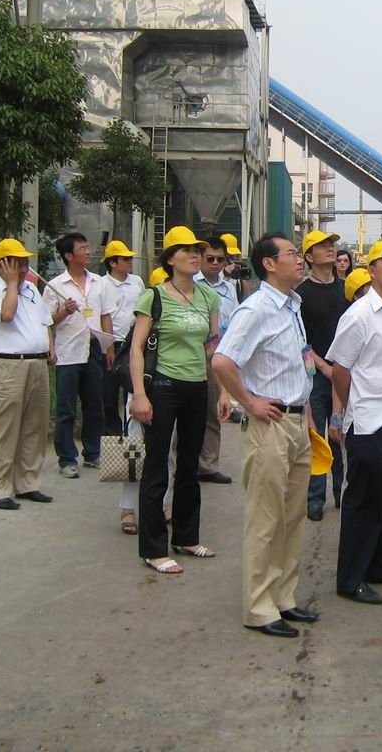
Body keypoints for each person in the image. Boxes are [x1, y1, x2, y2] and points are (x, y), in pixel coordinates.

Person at [213, 232, 320, 638]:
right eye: (292, 254)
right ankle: (260, 607)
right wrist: (249, 401)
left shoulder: (293, 306)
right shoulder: (256, 308)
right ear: (269, 264)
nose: (299, 259)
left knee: (292, 516)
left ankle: (284, 597)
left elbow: (301, 362)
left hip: (296, 421)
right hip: (269, 425)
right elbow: (223, 361)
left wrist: (307, 413)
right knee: (266, 518)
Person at [127, 226, 221, 575]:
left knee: (189, 466)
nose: (195, 255)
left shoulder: (208, 298)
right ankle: (153, 548)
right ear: (169, 259)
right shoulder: (154, 297)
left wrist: (222, 390)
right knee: (156, 469)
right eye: (186, 251)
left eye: (198, 250)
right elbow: (137, 348)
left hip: (197, 386)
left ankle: (185, 536)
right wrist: (139, 394)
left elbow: (213, 347)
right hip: (163, 387)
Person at [329, 239, 382, 604]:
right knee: (363, 501)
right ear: (372, 269)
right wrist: (352, 408)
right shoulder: (360, 313)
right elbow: (340, 370)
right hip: (368, 420)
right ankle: (352, 578)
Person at [0, 238, 55, 510]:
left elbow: (45, 321)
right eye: (17, 263)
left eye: (25, 262)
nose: (23, 268)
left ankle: (28, 483)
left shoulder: (32, 289)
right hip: (9, 366)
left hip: (37, 364)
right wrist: (11, 284)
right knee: (5, 428)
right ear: (2, 264)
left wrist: (50, 347)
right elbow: (7, 314)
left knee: (35, 426)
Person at [44, 232, 114, 478]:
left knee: (95, 404)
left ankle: (93, 452)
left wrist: (109, 347)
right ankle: (66, 458)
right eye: (82, 248)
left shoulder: (98, 282)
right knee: (66, 408)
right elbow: (47, 321)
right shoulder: (55, 286)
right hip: (68, 352)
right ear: (68, 256)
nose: (87, 251)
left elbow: (105, 315)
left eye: (87, 246)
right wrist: (64, 311)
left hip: (93, 349)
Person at [297, 229, 348, 520]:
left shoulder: (345, 290)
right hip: (316, 376)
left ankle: (342, 491)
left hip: (344, 374)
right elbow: (301, 343)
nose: (330, 249)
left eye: (332, 244)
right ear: (309, 256)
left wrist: (340, 369)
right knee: (316, 435)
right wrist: (323, 367)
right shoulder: (301, 295)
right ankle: (315, 497)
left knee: (341, 432)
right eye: (322, 246)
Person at [102, 240, 146, 534]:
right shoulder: (104, 286)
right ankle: (128, 510)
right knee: (132, 442)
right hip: (123, 353)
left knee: (167, 452)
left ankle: (162, 506)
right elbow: (106, 317)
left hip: (173, 387)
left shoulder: (138, 283)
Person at [194, 234, 239, 486]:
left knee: (215, 410)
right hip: (192, 353)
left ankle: (208, 465)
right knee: (190, 411)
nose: (214, 263)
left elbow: (234, 321)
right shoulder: (191, 284)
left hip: (219, 353)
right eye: (209, 258)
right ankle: (184, 463)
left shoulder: (229, 288)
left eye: (219, 259)